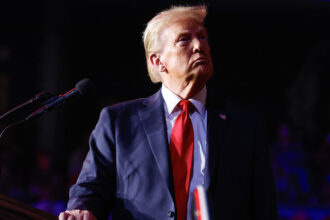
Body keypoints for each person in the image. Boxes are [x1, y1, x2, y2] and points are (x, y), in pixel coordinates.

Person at [59, 5, 278, 220]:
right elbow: (91, 188)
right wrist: (82, 209)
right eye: (185, 39)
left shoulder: (245, 126)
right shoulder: (119, 122)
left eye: (202, 37)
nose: (199, 46)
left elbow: (264, 208)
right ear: (158, 61)